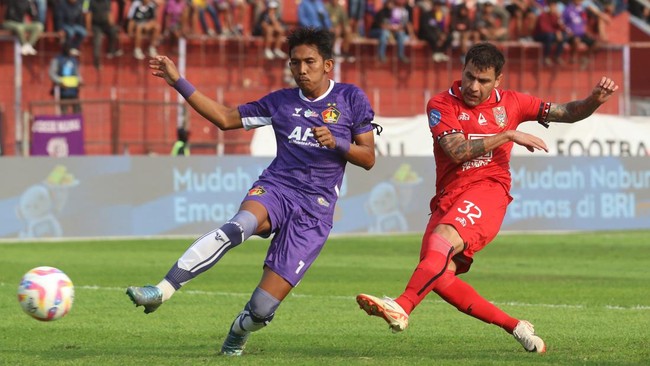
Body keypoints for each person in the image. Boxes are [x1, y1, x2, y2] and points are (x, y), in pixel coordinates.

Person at [126, 27, 378, 356]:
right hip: (277, 188)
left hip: (314, 213)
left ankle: (240, 328)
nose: (302, 70)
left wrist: (338, 142)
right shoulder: (280, 103)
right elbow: (225, 118)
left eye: (310, 62)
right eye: (295, 63)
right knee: (239, 225)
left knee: (261, 309)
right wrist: (177, 81)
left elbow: (369, 158)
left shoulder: (351, 98)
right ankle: (162, 289)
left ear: (328, 65)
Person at [355, 42, 618, 354]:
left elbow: (567, 113)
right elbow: (455, 151)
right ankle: (516, 326)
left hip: (489, 190)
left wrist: (593, 101)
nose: (473, 87)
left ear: (498, 81)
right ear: (462, 71)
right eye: (469, 77)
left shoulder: (514, 103)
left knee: (441, 243)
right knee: (438, 274)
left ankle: (402, 305)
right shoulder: (441, 104)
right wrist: (506, 135)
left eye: (482, 81)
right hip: (449, 196)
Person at [85, 0, 124, 69]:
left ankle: (111, 51)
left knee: (114, 30)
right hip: (96, 25)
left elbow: (109, 13)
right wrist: (88, 29)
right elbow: (88, 14)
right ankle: (96, 62)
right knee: (98, 40)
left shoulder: (107, 2)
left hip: (105, 24)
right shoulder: (90, 2)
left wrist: (112, 25)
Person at [49, 44, 83, 115]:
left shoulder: (73, 60)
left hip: (73, 90)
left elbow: (77, 73)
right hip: (62, 90)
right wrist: (60, 82)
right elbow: (52, 73)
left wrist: (80, 81)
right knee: (63, 112)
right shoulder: (57, 60)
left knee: (78, 110)